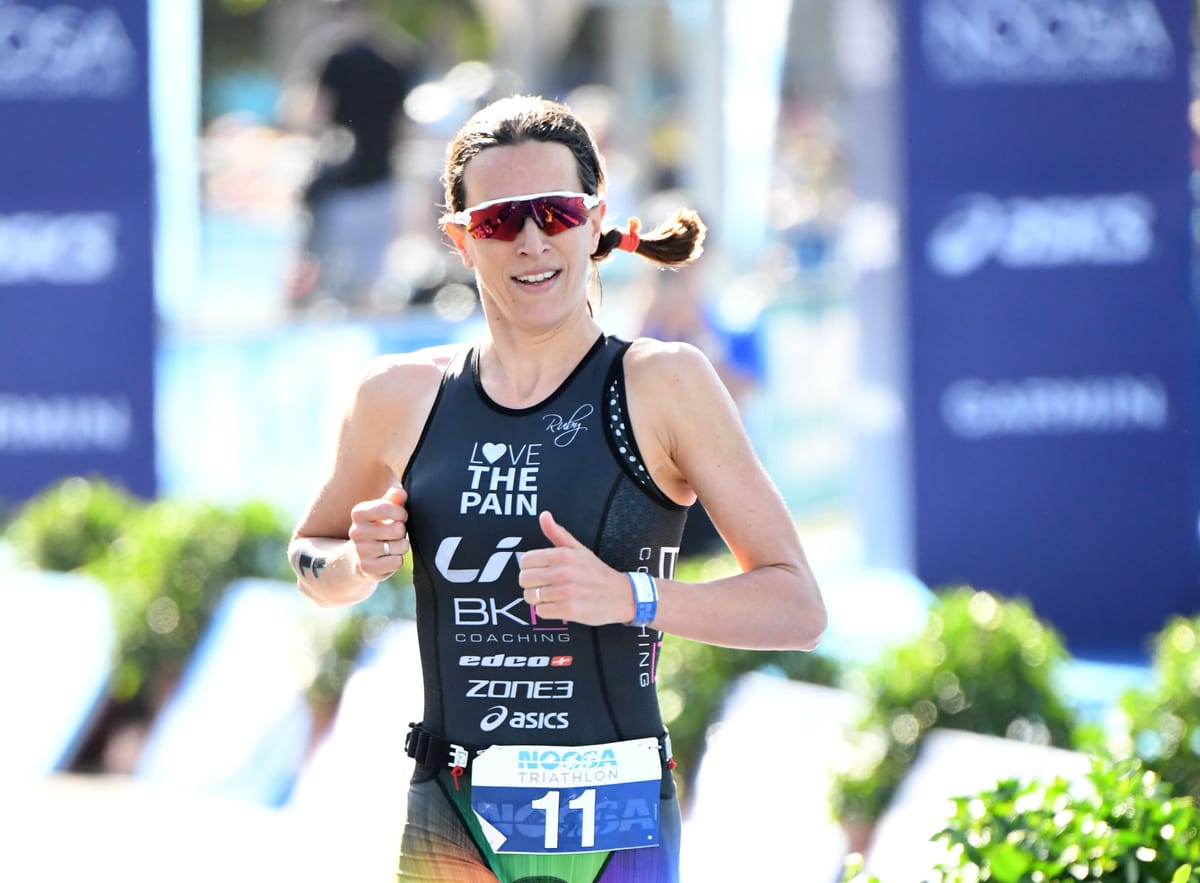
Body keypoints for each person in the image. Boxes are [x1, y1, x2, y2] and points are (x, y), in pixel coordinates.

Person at [289, 94, 826, 883]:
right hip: (453, 808)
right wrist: (357, 565)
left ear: (595, 220)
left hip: (614, 812)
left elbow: (799, 607)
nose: (534, 240)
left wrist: (630, 595)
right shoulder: (398, 395)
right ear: (461, 241)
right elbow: (313, 555)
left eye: (556, 212)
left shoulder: (661, 382)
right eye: (503, 220)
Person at [279, 0, 421, 309]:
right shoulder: (395, 61)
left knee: (323, 281)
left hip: (341, 187)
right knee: (370, 283)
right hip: (382, 182)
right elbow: (403, 128)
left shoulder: (334, 60)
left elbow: (311, 115)